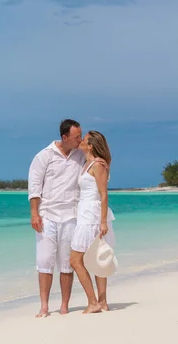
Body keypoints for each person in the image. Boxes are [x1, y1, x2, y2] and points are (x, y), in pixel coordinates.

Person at [28, 119, 85, 318]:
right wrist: (34, 213)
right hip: (47, 216)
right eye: (77, 136)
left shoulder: (81, 155)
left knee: (67, 263)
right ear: (64, 137)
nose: (80, 139)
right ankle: (44, 306)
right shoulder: (44, 156)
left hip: (72, 215)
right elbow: (34, 186)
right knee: (45, 261)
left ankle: (64, 305)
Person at [69, 131, 116, 314]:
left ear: (90, 146)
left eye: (84, 139)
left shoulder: (98, 165)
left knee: (75, 260)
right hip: (85, 215)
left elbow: (104, 194)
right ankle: (102, 302)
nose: (80, 140)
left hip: (92, 217)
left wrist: (103, 222)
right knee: (96, 258)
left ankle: (93, 302)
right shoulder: (88, 163)